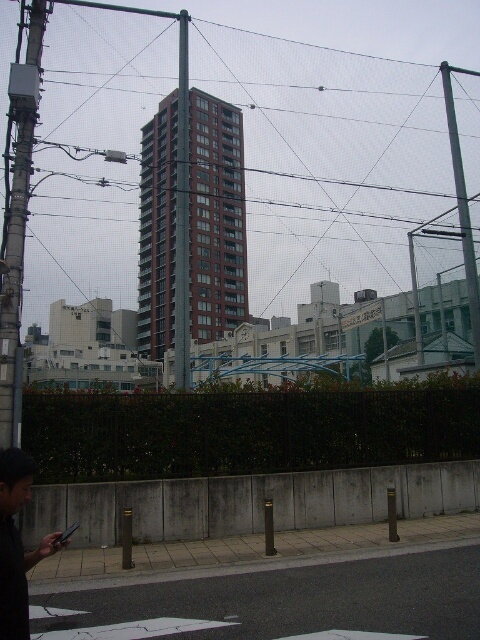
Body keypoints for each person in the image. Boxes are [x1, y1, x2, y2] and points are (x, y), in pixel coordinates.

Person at [0, 447, 67, 640]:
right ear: (2, 488)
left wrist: (39, 553)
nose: (28, 496)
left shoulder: (8, 523)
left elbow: (12, 569)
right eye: (25, 489)